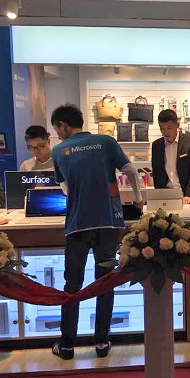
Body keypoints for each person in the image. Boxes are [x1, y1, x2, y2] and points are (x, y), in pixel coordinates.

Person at [50, 104, 143, 360]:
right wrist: (137, 199)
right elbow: (131, 170)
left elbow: (64, 188)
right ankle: (101, 343)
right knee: (105, 282)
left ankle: (67, 346)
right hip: (107, 224)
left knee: (72, 285)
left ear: (63, 126)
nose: (58, 134)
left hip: (77, 226)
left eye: (57, 129)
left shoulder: (59, 151)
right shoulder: (105, 142)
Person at [151, 109, 190, 204]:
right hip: (166, 195)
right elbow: (156, 171)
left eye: (169, 128)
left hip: (188, 194)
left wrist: (189, 194)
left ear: (177, 125)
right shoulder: (156, 145)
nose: (165, 132)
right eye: (162, 128)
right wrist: (159, 194)